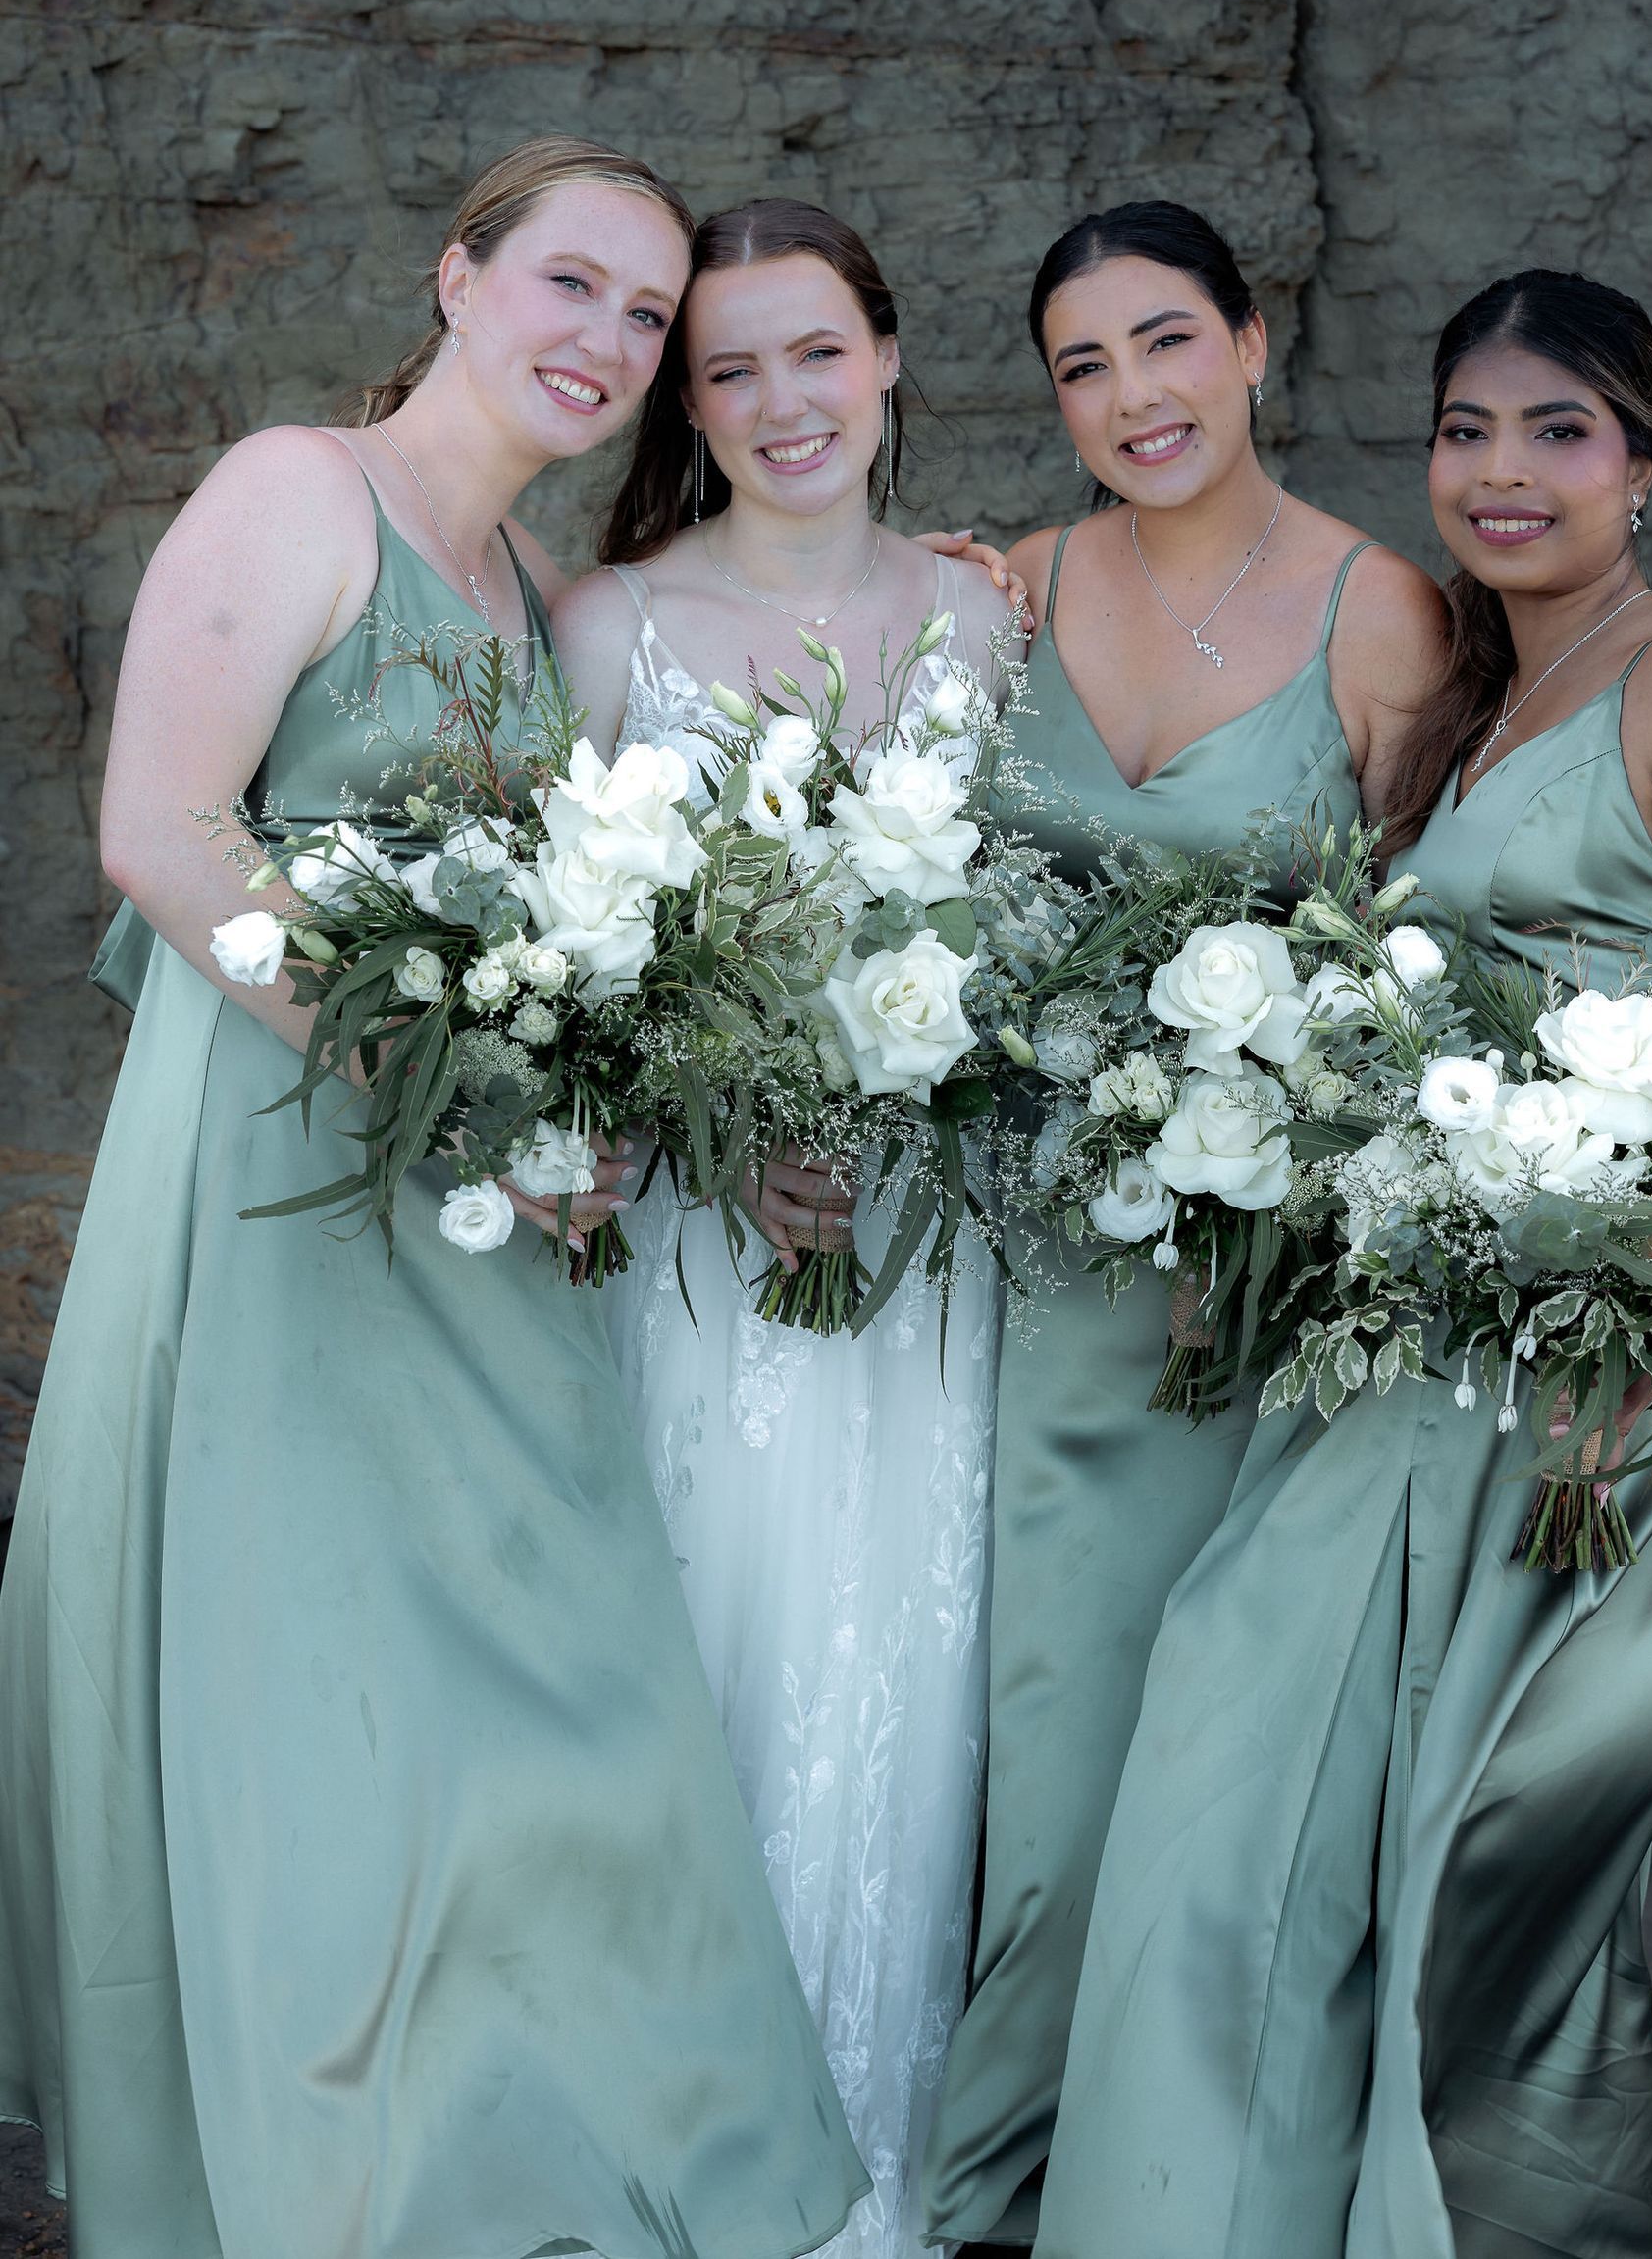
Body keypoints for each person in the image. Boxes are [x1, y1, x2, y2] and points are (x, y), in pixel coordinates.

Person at [0, 139, 875, 2259]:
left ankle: (530, 2140)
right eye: (569, 284)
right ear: (457, 274)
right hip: (292, 1185)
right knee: (309, 1676)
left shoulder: (515, 595)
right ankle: (321, 2175)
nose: (604, 340)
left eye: (645, 316)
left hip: (477, 1208)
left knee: (528, 1669)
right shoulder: (302, 492)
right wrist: (448, 1086)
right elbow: (163, 833)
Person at [1029, 269, 1652, 2259]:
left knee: (1492, 1877)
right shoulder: (1493, 697)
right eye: (1468, 429)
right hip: (1405, 1353)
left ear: (1642, 463)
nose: (1503, 472)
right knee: (1244, 1786)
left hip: (1596, 1388)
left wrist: (1640, 1311)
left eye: (1557, 429)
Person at [921, 200, 1448, 2249]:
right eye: (1079, 365)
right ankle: (977, 2165)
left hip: (1243, 1285)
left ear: (1251, 341)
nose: (1129, 395)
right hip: (1009, 1264)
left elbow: (1421, 959)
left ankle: (1145, 2179)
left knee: (1179, 1756)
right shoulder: (1010, 589)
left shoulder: (1378, 612)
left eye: (1163, 341)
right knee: (1004, 1763)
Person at [552, 198, 1017, 2259]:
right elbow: (572, 962)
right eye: (727, 367)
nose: (777, 401)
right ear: (687, 396)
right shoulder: (609, 629)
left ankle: (869, 2175)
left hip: (924, 1257)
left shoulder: (998, 618)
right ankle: (672, 2154)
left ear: (890, 356)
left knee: (901, 1689)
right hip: (699, 1258)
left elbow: (1037, 936)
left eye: (813, 350)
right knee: (700, 1659)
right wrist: (719, 1119)